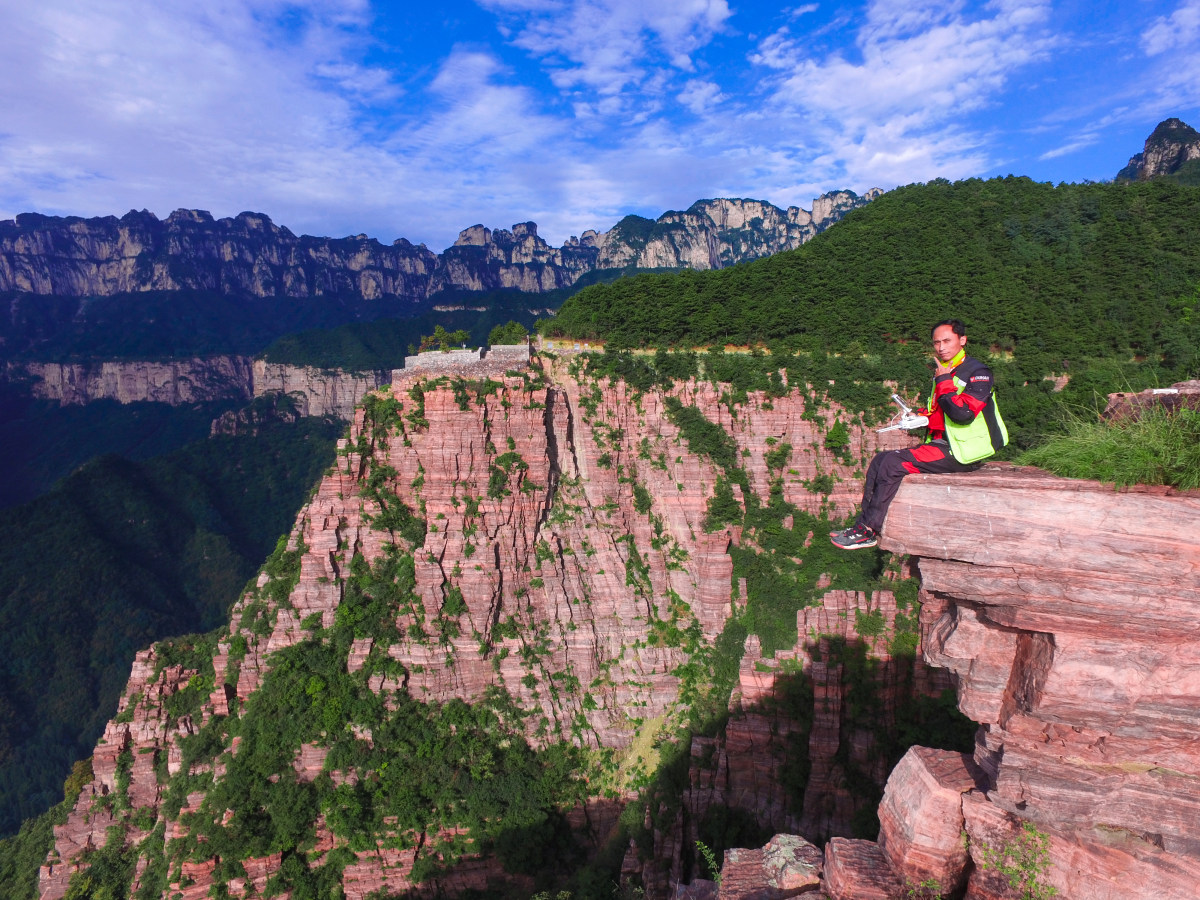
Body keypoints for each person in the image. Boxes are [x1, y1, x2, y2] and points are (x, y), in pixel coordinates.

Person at [830, 319, 1008, 550]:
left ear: (962, 340)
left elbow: (962, 414)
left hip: (964, 451)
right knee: (879, 460)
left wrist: (943, 380)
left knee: (893, 463)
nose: (941, 347)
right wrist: (919, 417)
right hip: (945, 443)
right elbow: (940, 410)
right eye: (937, 342)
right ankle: (862, 525)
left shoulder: (977, 372)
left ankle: (869, 531)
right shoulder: (946, 370)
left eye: (947, 341)